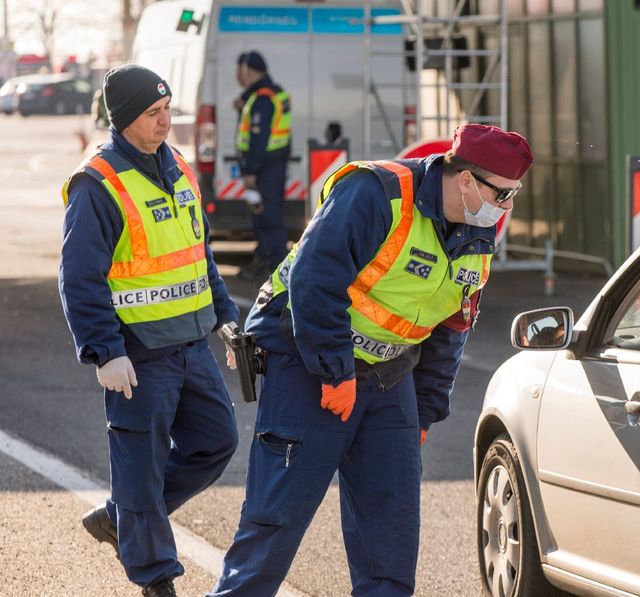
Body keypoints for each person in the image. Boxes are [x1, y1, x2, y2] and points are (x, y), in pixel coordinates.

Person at [209, 123, 533, 596]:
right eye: (502, 194)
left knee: (391, 539)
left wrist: (425, 409)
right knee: (274, 527)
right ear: (466, 180)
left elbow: (451, 328)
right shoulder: (374, 194)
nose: (506, 207)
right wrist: (335, 372)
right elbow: (313, 282)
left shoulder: (477, 232)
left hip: (390, 376)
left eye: (513, 195)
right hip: (308, 363)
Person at [59, 64, 240, 597]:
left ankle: (123, 516)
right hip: (136, 355)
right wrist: (103, 351)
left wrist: (225, 316)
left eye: (167, 110)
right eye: (152, 114)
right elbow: (78, 276)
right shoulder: (97, 184)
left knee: (216, 442)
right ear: (123, 119)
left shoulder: (178, 165)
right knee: (140, 465)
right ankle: (157, 578)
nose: (165, 122)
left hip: (190, 343)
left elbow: (197, 256)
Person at [234, 50, 292, 281]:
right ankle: (266, 259)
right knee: (265, 216)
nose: (237, 76)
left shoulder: (263, 99)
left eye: (239, 71)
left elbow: (258, 138)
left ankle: (275, 266)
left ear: (247, 71)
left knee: (268, 218)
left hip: (264, 170)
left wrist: (251, 171)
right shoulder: (273, 94)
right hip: (272, 167)